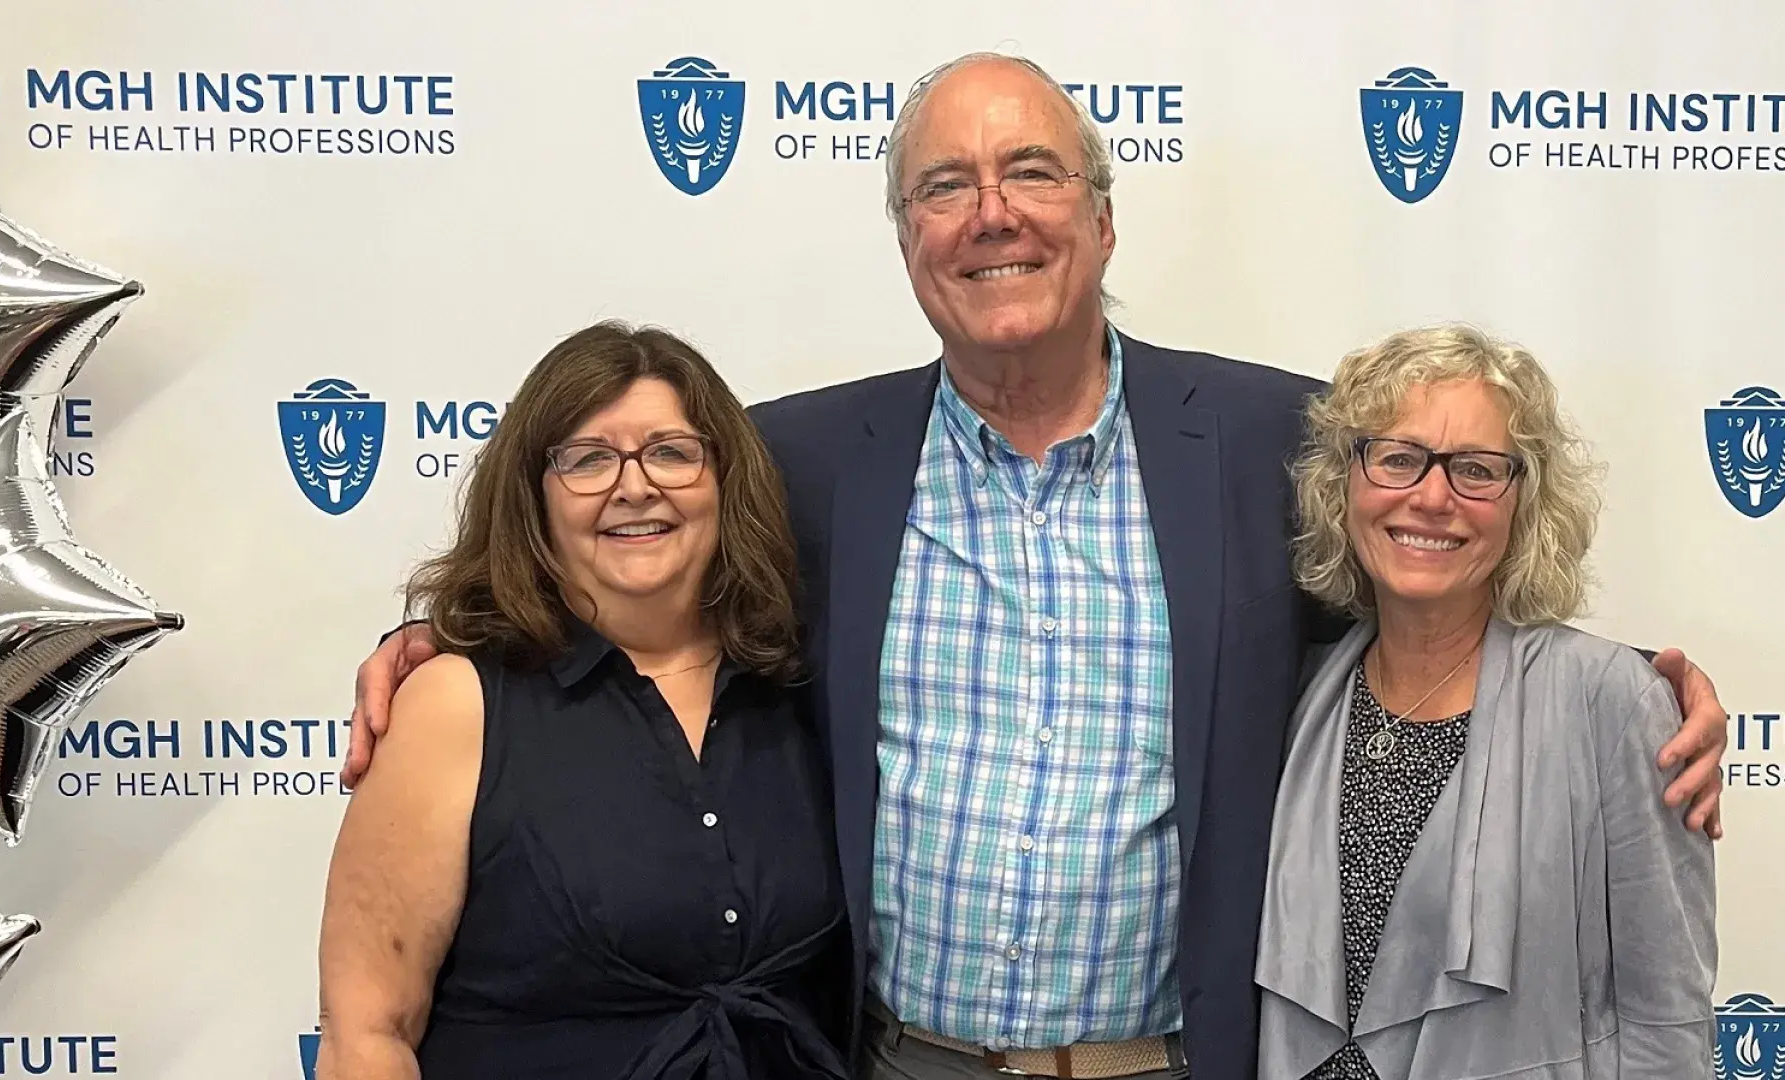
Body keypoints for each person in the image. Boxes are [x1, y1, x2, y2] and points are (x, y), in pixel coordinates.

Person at [344, 53, 1731, 1080]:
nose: (991, 213)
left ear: (1104, 221)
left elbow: (1441, 554)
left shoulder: (1272, 438)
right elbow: (622, 567)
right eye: (944, 187)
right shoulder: (798, 463)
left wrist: (1631, 696)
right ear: (908, 243)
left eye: (1032, 174)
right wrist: (444, 651)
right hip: (893, 1061)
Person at [316, 323, 849, 1080]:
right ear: (533, 497)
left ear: (726, 481)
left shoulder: (799, 681)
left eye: (672, 452)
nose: (634, 487)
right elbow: (367, 1033)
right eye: (588, 459)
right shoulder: (456, 704)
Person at [1255, 326, 1715, 1079]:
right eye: (1398, 458)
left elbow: (1668, 1020)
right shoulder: (1296, 693)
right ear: (1344, 486)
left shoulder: (1611, 703)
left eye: (1476, 470)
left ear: (1525, 504)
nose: (1432, 498)